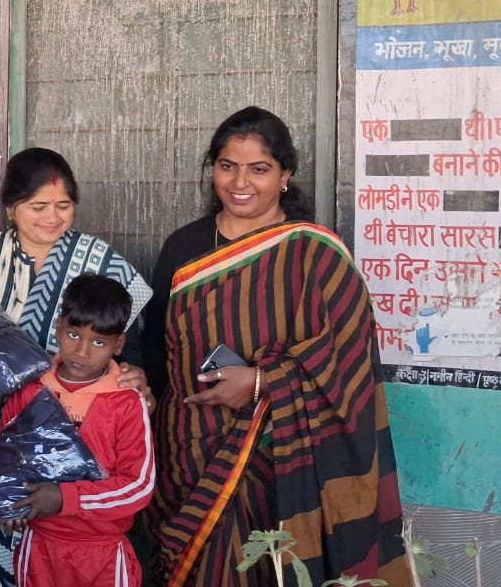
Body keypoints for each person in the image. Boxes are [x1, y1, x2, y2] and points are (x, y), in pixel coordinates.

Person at [145, 106, 410, 587]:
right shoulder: (183, 247)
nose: (239, 182)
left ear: (285, 175)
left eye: (259, 169)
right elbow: (157, 349)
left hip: (279, 457)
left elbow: (348, 355)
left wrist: (262, 381)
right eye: (227, 166)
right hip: (189, 450)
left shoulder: (313, 252)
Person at [0, 146, 153, 587]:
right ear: (11, 208)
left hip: (79, 428)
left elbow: (130, 342)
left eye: (63, 205)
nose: (52, 217)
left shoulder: (101, 261)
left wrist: (137, 373)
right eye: (38, 206)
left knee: (59, 526)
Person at [0, 273, 155, 587]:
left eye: (98, 342)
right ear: (59, 327)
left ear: (119, 344)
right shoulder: (33, 389)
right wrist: (5, 502)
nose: (82, 351)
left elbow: (139, 486)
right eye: (74, 334)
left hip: (101, 554)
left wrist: (66, 498)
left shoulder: (126, 401)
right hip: (38, 547)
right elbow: (5, 457)